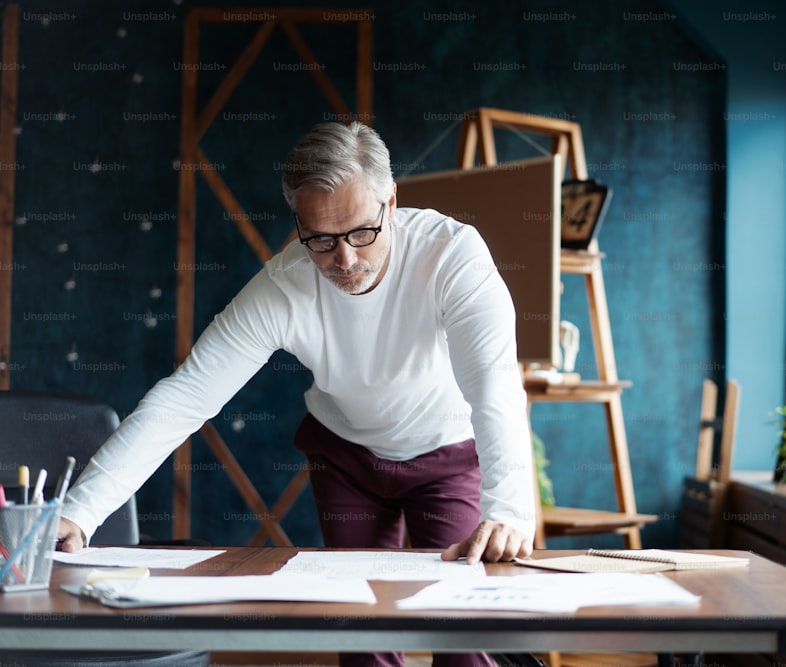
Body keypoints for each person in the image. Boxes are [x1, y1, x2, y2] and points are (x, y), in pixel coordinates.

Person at [57, 121, 536, 667]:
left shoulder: (453, 256)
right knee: (361, 631)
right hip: (348, 459)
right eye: (322, 241)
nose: (346, 260)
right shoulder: (284, 286)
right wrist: (79, 512)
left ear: (391, 201)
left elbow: (494, 386)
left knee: (463, 632)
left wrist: (509, 513)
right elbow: (184, 398)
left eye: (361, 232)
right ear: (299, 225)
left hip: (449, 453)